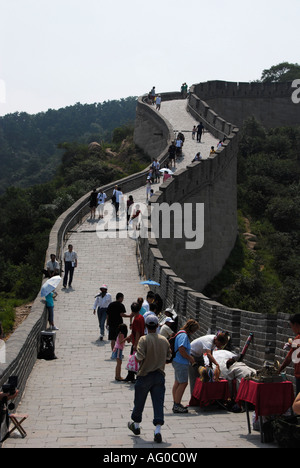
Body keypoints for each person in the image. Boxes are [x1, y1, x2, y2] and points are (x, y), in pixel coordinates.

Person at [128, 314, 171, 443]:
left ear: (146, 326)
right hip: (159, 375)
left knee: (139, 401)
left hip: (145, 374)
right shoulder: (164, 340)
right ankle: (157, 430)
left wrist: (135, 357)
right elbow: (169, 357)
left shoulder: (143, 339)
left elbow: (139, 357)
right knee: (158, 402)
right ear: (157, 326)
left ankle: (136, 426)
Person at [172, 319, 200, 413]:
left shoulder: (180, 332)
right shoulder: (184, 336)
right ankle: (176, 405)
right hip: (181, 362)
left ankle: (176, 402)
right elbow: (182, 349)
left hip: (177, 361)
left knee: (178, 382)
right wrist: (190, 359)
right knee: (183, 383)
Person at [278, 314, 300, 395]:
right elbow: (290, 357)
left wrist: (294, 345)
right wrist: (280, 369)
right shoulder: (297, 338)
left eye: (292, 326)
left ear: (296, 325)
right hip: (298, 376)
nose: (292, 329)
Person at [123, 302, 145, 382]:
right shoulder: (141, 317)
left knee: (135, 359)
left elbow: (138, 332)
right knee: (133, 359)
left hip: (138, 342)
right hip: (141, 341)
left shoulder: (136, 319)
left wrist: (135, 344)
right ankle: (130, 375)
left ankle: (134, 376)